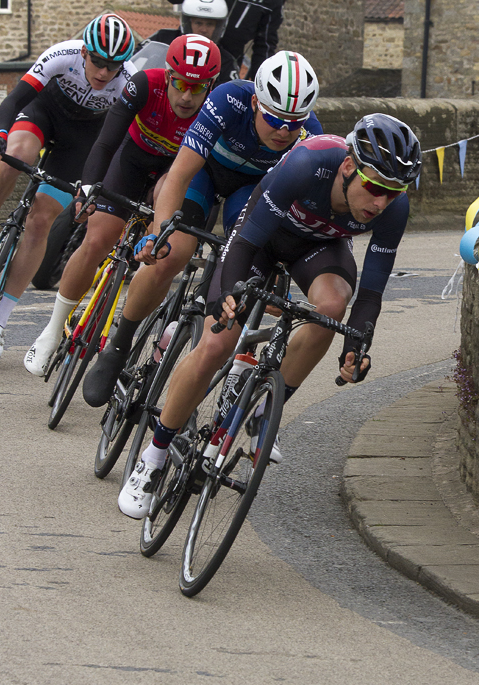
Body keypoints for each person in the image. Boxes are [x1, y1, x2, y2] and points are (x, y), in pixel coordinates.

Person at [117, 113, 422, 518]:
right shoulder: (307, 163)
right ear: (349, 166)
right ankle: (152, 459)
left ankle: (265, 410)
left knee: (333, 306)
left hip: (318, 249)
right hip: (259, 239)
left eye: (393, 191)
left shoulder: (392, 208)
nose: (381, 202)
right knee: (216, 344)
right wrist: (230, 293)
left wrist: (357, 344)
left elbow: (372, 291)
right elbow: (244, 242)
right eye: (374, 187)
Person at [82, 50, 321, 408]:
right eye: (274, 118)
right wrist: (157, 233)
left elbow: (289, 213)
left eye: (294, 122)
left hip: (250, 191)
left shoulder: (309, 135)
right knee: (171, 254)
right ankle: (119, 343)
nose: (284, 131)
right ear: (255, 102)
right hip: (204, 173)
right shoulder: (228, 101)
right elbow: (177, 175)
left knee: (245, 273)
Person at [23, 34, 222, 376]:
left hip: (172, 173)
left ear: (211, 86)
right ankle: (52, 329)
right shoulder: (144, 85)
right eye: (181, 85)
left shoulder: (217, 110)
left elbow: (213, 178)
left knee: (167, 208)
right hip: (131, 161)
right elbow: (105, 142)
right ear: (168, 76)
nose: (188, 97)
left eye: (198, 88)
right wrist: (88, 189)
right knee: (98, 238)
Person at [0, 13, 136, 359]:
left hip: (81, 140)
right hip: (44, 113)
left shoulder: (128, 83)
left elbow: (122, 145)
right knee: (15, 152)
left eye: (112, 66)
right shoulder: (61, 56)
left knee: (41, 221)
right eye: (97, 62)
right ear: (84, 53)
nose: (103, 73)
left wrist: (94, 187)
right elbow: (14, 100)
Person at [146, 0, 238, 86]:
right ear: (188, 23)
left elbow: (228, 94)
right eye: (198, 23)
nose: (203, 29)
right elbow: (136, 58)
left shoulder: (226, 61)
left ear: (218, 27)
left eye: (210, 24)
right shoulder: (162, 38)